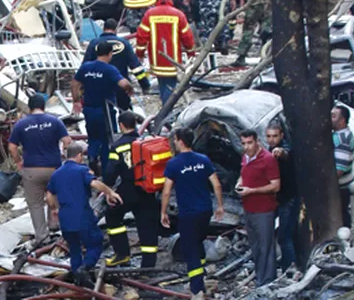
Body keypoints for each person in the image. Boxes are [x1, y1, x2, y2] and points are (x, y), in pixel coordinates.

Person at [161, 127, 224, 300]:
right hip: (205, 211)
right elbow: (216, 184)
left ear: (180, 141)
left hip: (188, 214)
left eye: (175, 139)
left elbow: (166, 191)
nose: (174, 142)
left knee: (191, 250)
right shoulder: (203, 159)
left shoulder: (173, 163)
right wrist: (220, 206)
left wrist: (163, 212)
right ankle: (201, 280)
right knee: (198, 242)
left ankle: (197, 290)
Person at [46, 143, 122, 286]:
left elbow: (49, 195)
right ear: (79, 155)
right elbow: (94, 184)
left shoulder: (56, 174)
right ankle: (84, 268)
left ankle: (78, 280)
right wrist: (110, 192)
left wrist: (54, 209)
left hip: (65, 217)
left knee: (74, 248)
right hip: (82, 215)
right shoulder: (81, 170)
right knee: (95, 243)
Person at [9, 96, 73, 244]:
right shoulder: (55, 121)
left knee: (36, 204)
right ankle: (55, 225)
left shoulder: (21, 124)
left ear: (29, 108)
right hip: (53, 168)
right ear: (43, 106)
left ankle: (42, 237)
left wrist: (19, 161)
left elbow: (12, 146)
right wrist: (64, 154)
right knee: (55, 196)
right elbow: (67, 141)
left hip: (32, 169)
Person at [103, 112, 161, 268]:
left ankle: (122, 254)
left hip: (128, 189)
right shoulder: (146, 142)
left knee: (112, 215)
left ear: (121, 125)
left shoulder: (117, 146)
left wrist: (107, 190)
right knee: (147, 224)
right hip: (148, 190)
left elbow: (110, 172)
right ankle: (148, 264)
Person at [72, 42, 134, 174]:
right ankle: (107, 171)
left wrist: (76, 101)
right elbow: (123, 84)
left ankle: (92, 159)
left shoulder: (86, 67)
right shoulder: (109, 69)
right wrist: (130, 89)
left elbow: (75, 83)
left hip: (88, 109)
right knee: (107, 140)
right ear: (110, 54)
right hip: (104, 111)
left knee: (93, 137)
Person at [236, 130, 280, 287]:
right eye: (243, 143)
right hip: (249, 208)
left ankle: (268, 282)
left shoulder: (268, 159)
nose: (247, 147)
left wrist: (251, 191)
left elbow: (275, 186)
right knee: (255, 246)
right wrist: (239, 183)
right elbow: (243, 174)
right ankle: (260, 278)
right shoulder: (245, 158)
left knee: (266, 246)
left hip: (264, 209)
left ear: (257, 142)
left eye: (249, 143)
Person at [135, 0, 196, 104]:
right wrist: (191, 53)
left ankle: (165, 109)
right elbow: (187, 37)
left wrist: (140, 53)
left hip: (156, 59)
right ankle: (167, 112)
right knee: (169, 86)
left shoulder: (150, 14)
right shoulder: (178, 14)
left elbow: (142, 36)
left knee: (163, 83)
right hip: (173, 59)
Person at [83, 18, 151, 110]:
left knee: (103, 112)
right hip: (121, 85)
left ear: (104, 28)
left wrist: (84, 87)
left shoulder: (94, 43)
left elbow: (85, 67)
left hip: (99, 85)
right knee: (124, 112)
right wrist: (145, 85)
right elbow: (136, 67)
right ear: (116, 29)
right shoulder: (124, 43)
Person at [266, 122, 300, 271]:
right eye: (268, 136)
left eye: (275, 136)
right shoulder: (270, 149)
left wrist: (280, 152)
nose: (272, 139)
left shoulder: (285, 149)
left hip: (289, 199)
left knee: (285, 236)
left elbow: (285, 152)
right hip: (279, 199)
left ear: (281, 135)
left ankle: (290, 269)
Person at [331, 105, 354, 228]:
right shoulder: (337, 135)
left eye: (333, 116)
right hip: (341, 185)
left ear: (342, 120)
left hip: (341, 187)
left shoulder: (342, 139)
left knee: (341, 215)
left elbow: (340, 169)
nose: (330, 119)